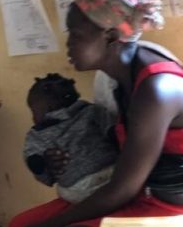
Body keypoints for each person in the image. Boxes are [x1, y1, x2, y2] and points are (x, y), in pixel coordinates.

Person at [8, 0, 183, 227]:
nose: (68, 45)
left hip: (175, 209)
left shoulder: (157, 90)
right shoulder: (116, 75)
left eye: (75, 35)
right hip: (140, 192)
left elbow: (124, 188)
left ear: (111, 36)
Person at [25, 73, 117, 204]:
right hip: (112, 174)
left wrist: (39, 162)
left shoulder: (37, 133)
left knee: (63, 191)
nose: (33, 117)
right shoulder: (92, 110)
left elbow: (32, 157)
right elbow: (112, 130)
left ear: (47, 108)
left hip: (76, 189)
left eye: (33, 111)